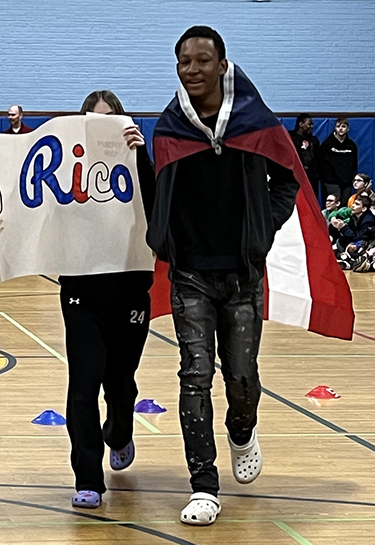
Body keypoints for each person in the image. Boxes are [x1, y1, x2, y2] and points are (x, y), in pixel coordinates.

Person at [147, 26, 300, 526]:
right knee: (194, 375)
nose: (193, 69)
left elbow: (288, 182)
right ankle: (203, 484)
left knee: (241, 377)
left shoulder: (255, 122)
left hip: (241, 276)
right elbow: (155, 194)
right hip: (189, 273)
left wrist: (262, 231)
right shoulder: (168, 128)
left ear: (221, 65)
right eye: (184, 62)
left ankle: (243, 429)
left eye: (202, 60)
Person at [61, 90, 155, 510]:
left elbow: (158, 210)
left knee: (120, 382)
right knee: (83, 386)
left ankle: (119, 432)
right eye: (94, 120)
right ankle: (87, 478)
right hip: (82, 291)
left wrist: (143, 158)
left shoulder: (139, 160)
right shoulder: (66, 169)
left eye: (110, 120)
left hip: (131, 289)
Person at [319, 117, 358, 200]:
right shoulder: (327, 144)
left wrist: (350, 178)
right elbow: (321, 162)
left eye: (343, 126)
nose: (340, 129)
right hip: (331, 181)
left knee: (344, 206)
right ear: (335, 128)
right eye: (338, 126)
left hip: (346, 182)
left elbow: (354, 164)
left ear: (347, 129)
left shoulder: (352, 146)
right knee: (334, 204)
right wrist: (326, 177)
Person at [289, 114, 320, 200]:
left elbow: (318, 158)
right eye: (309, 124)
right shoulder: (291, 138)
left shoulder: (313, 140)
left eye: (312, 124)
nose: (311, 126)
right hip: (295, 176)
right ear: (301, 124)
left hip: (311, 177)